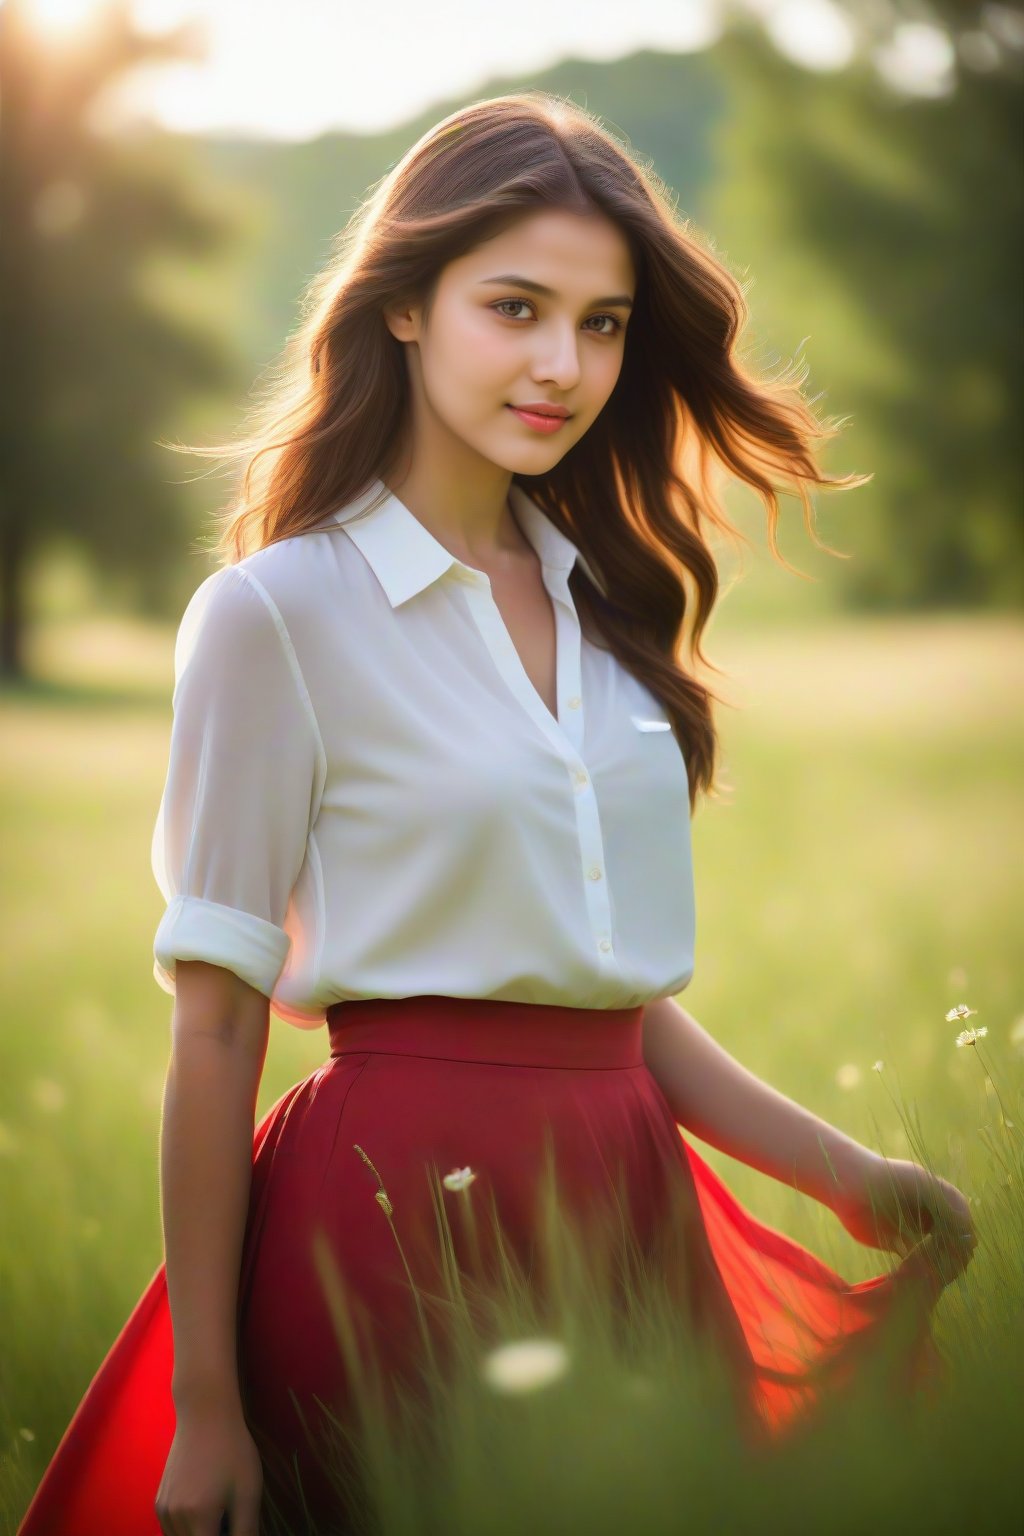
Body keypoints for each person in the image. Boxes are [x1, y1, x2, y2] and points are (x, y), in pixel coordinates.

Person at [16, 91, 977, 1536]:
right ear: (404, 304)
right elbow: (215, 1024)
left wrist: (846, 1176)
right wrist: (206, 1402)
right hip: (393, 1219)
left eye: (602, 324)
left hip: (628, 1214)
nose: (564, 364)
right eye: (516, 307)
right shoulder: (276, 615)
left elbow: (608, 1000)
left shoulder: (608, 605)